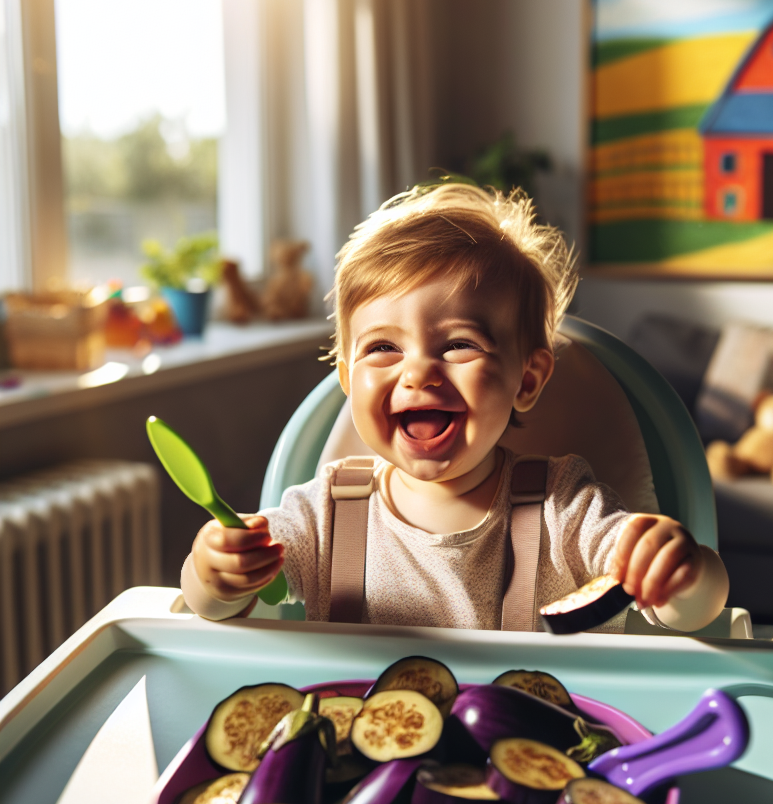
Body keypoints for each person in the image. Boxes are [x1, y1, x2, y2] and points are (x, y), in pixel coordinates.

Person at [180, 184, 727, 630]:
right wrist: (214, 572)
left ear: (527, 380)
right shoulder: (325, 512)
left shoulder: (564, 507)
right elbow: (217, 606)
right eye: (383, 348)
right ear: (348, 380)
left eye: (458, 345)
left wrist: (681, 574)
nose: (418, 372)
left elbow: (692, 614)